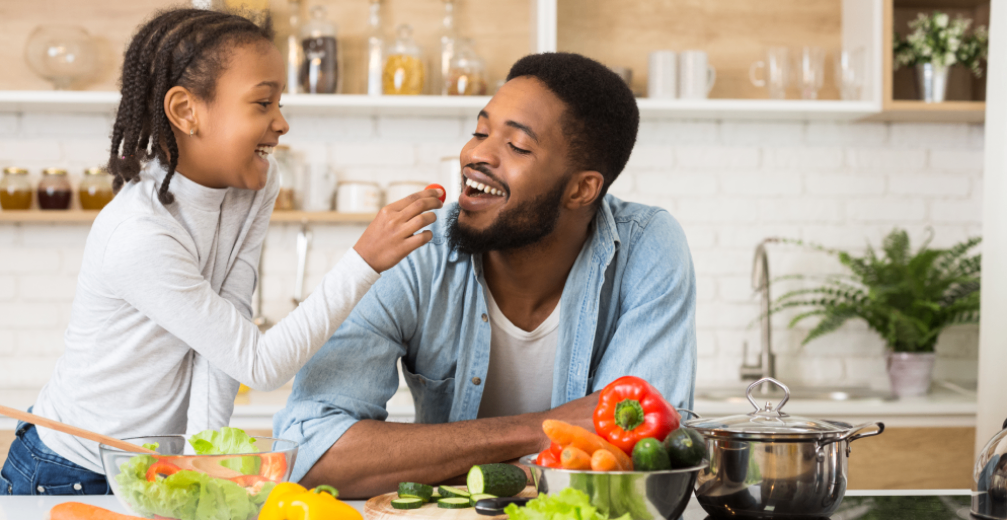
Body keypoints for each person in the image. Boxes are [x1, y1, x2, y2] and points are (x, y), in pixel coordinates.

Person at [0, 8, 441, 496]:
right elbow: (261, 364)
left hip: (150, 467)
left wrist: (200, 458)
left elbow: (225, 340)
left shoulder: (254, 184)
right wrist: (363, 262)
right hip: (67, 469)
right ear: (187, 111)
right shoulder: (139, 233)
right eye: (263, 103)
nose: (282, 122)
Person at [275, 52, 697, 498]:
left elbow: (632, 465)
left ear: (581, 189)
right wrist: (540, 430)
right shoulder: (416, 250)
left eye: (516, 146)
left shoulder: (647, 247)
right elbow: (310, 455)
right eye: (480, 131)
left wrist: (434, 460)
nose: (476, 154)